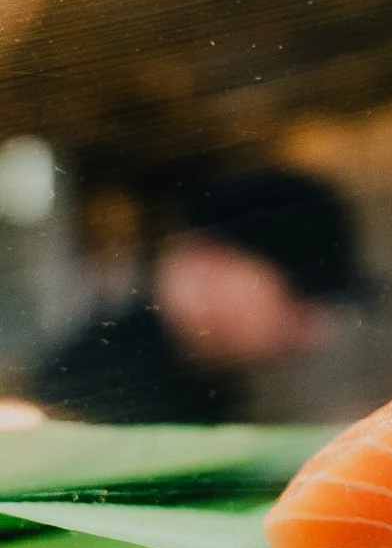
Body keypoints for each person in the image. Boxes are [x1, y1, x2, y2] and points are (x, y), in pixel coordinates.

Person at [31, 169, 371, 425]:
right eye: (301, 297)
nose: (317, 332)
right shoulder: (102, 389)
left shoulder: (205, 386)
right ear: (210, 267)